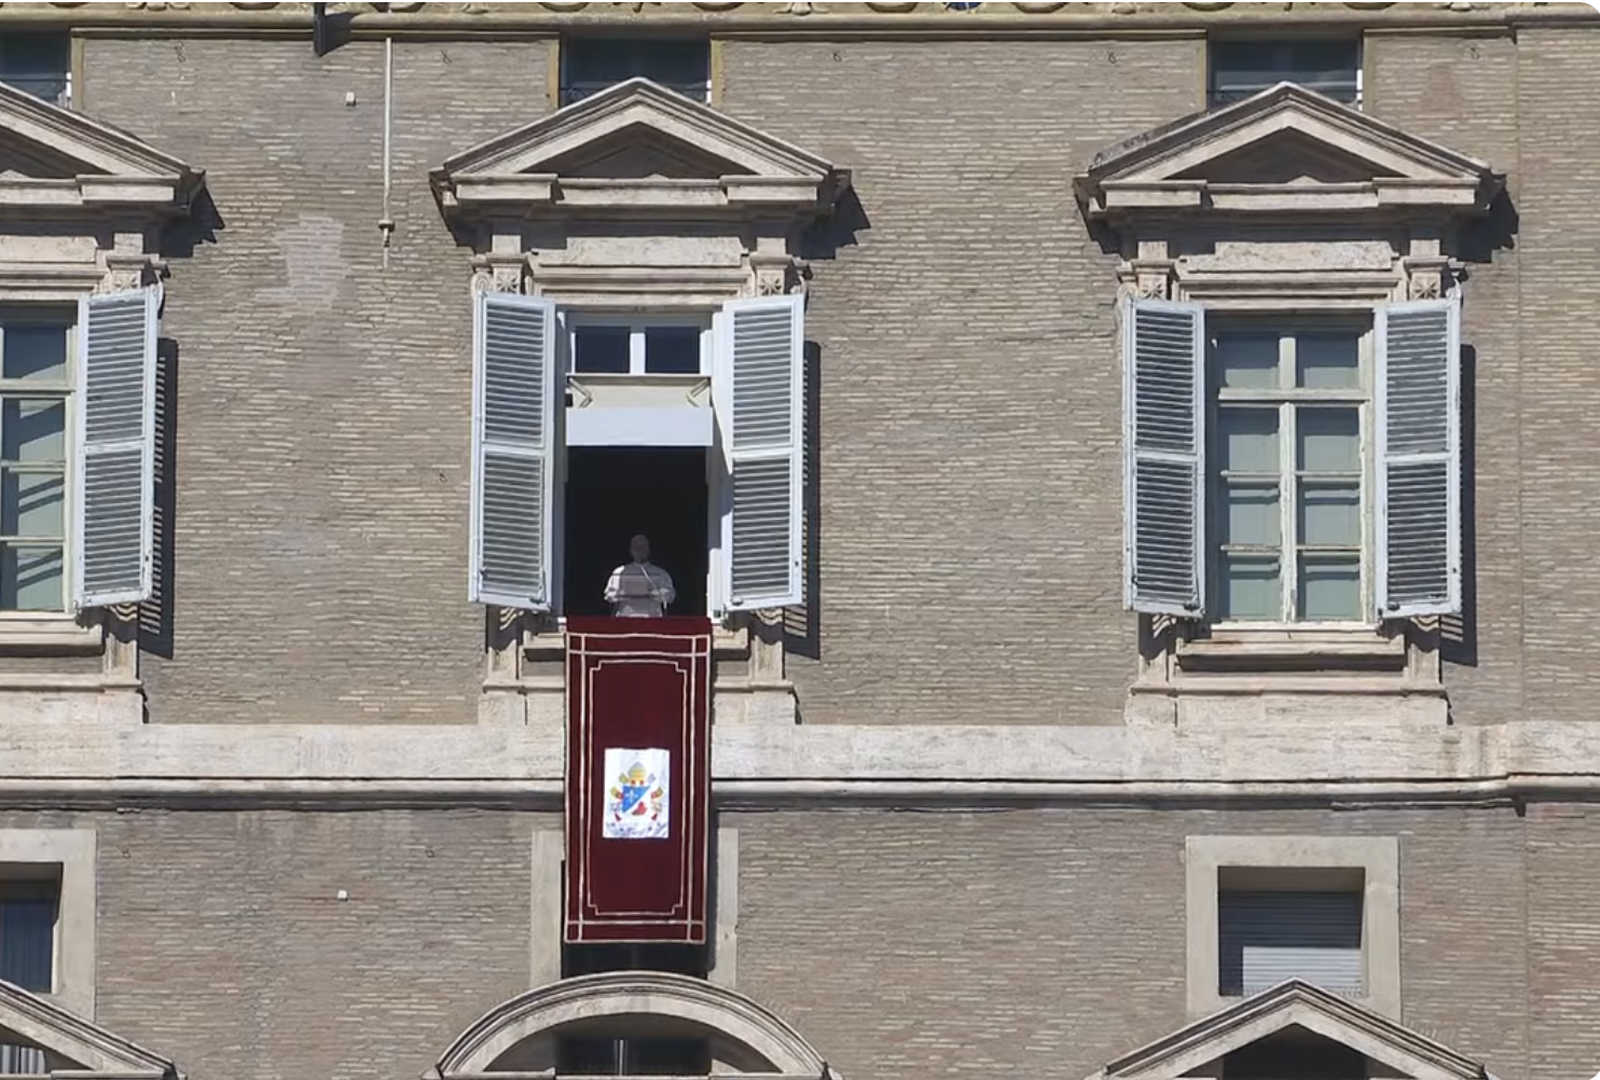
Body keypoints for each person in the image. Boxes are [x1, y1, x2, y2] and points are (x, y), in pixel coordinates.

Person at [604, 534, 676, 618]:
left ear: (649, 550)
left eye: (643, 547)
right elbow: (609, 595)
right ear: (631, 551)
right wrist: (622, 594)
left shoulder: (660, 573)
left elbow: (670, 596)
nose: (640, 551)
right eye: (636, 548)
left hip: (652, 618)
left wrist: (656, 593)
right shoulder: (619, 572)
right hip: (626, 618)